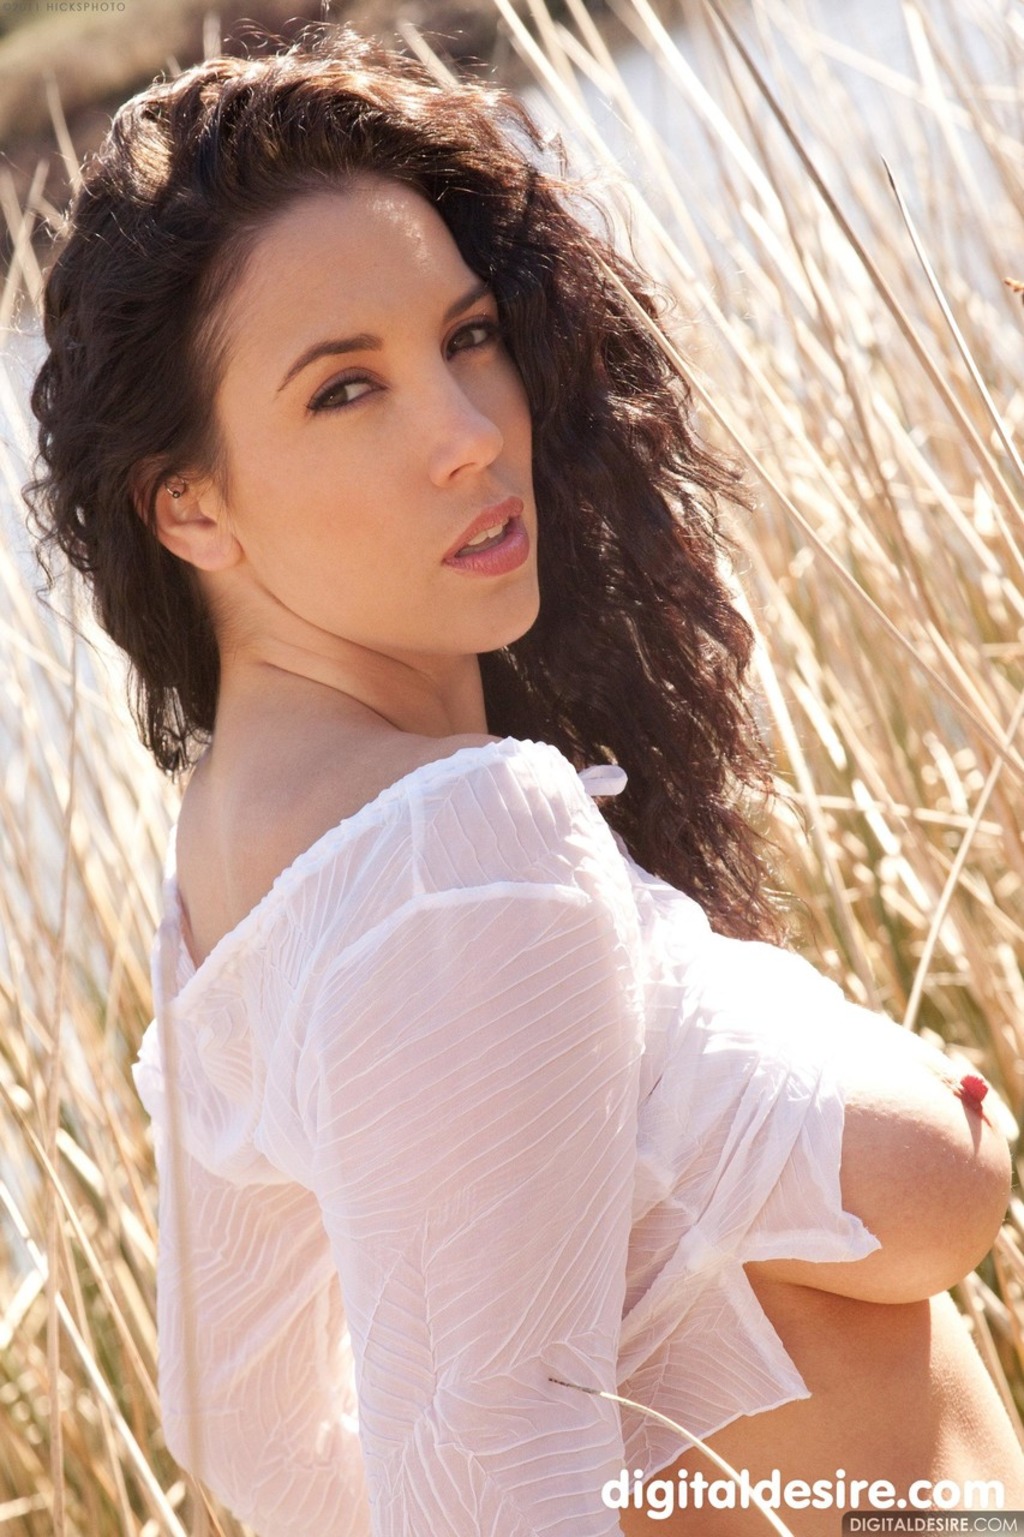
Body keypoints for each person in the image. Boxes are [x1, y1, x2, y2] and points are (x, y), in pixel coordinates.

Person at [24, 25, 1024, 1536]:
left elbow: (257, 1439)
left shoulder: (252, 853)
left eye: (467, 336)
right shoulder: (457, 855)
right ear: (191, 507)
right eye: (343, 391)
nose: (469, 433)